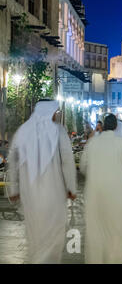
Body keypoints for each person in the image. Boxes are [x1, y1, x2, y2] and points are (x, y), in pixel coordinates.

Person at [7, 100, 77, 263]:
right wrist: (71, 188)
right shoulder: (58, 132)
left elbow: (13, 161)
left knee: (35, 234)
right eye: (55, 112)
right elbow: (67, 161)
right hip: (53, 192)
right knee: (53, 234)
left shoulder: (23, 131)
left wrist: (14, 189)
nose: (56, 115)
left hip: (30, 193)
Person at [80, 114, 122, 264]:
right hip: (117, 196)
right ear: (116, 127)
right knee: (117, 231)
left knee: (97, 231)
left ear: (104, 125)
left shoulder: (92, 143)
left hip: (95, 196)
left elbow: (83, 167)